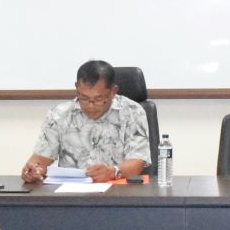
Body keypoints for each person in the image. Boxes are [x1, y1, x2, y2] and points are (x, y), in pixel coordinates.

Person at [21, 59, 152, 184]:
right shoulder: (59, 114)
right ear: (76, 88)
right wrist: (32, 171)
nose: (90, 106)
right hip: (71, 193)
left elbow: (137, 161)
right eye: (84, 98)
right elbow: (40, 159)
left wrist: (113, 172)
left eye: (98, 99)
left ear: (113, 91)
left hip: (118, 191)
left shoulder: (132, 112)